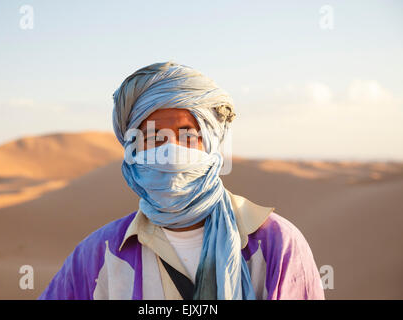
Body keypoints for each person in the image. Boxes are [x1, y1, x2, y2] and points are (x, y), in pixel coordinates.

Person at [38, 61, 325, 300]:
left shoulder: (275, 245)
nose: (170, 151)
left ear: (213, 143)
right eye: (152, 137)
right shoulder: (99, 255)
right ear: (133, 151)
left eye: (188, 135)